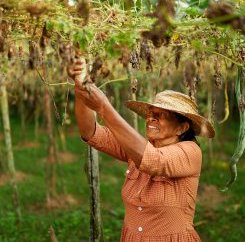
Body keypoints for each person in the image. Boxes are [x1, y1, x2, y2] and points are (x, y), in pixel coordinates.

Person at [70, 58, 215, 242]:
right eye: (150, 114)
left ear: (182, 128)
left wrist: (103, 107)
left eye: (161, 115)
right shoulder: (139, 148)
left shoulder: (190, 152)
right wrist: (81, 89)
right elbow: (90, 132)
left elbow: (155, 161)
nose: (151, 119)